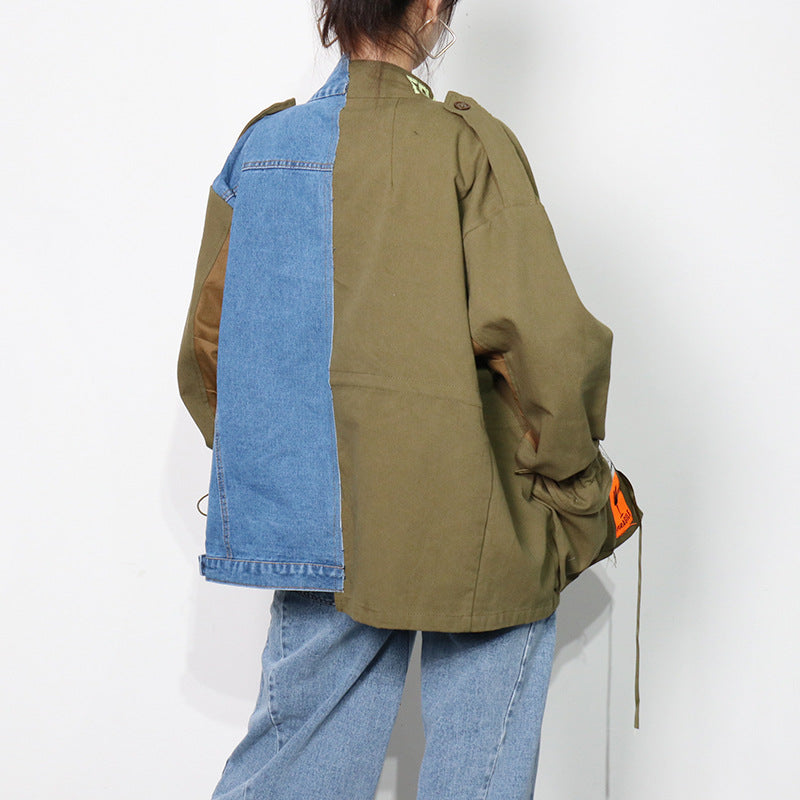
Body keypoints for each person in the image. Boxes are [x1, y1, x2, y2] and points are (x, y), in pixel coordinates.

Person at [177, 1, 619, 797]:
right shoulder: (466, 147)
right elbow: (546, 346)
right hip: (471, 518)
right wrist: (578, 490)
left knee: (296, 759)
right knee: (479, 761)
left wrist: (292, 472)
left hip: (318, 524)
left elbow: (209, 355)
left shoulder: (262, 150)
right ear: (431, 7)